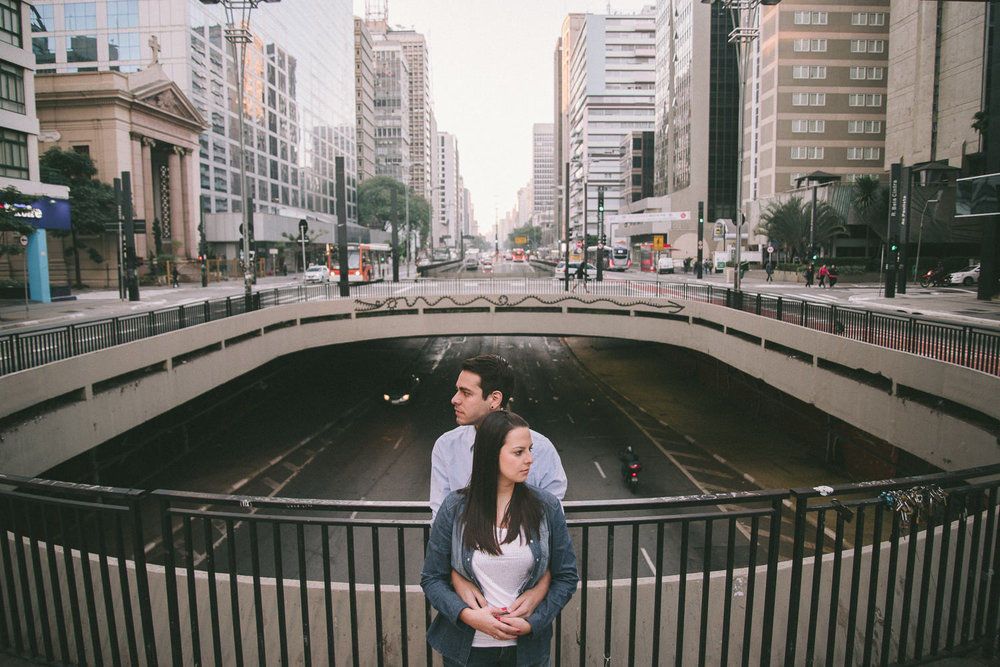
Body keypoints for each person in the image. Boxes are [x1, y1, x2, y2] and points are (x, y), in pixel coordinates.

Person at [422, 411, 579, 666]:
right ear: (491, 454)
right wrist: (468, 616)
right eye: (519, 452)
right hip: (468, 652)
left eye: (530, 450)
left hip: (526, 654)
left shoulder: (545, 507)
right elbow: (431, 577)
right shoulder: (455, 507)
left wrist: (533, 623)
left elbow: (567, 576)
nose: (529, 460)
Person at [430, 355, 568, 623]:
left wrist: (541, 587)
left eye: (465, 392)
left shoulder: (541, 450)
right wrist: (457, 578)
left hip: (522, 608)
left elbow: (553, 531)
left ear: (494, 399)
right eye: (458, 390)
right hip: (468, 605)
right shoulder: (446, 447)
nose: (454, 399)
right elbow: (440, 526)